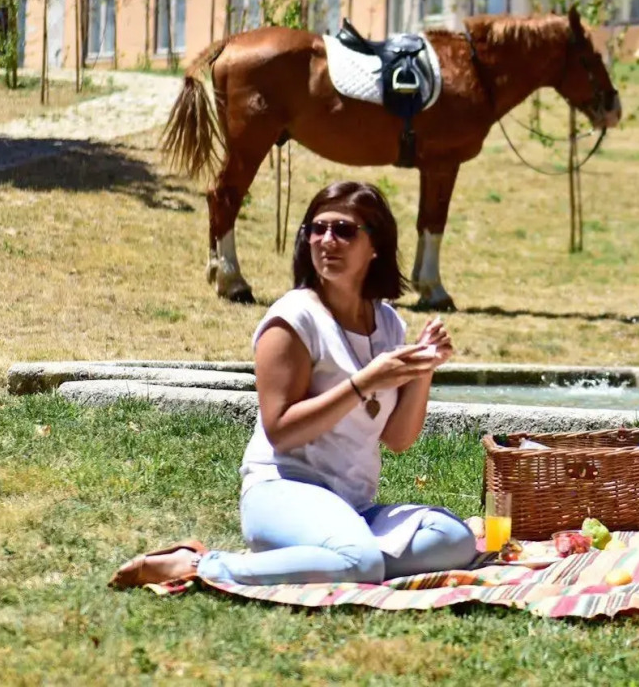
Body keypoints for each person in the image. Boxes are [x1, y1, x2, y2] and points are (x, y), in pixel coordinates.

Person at [111, 181, 478, 589]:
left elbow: (397, 439)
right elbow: (281, 431)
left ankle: (324, 560)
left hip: (353, 507)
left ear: (375, 246)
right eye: (316, 229)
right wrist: (365, 381)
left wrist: (423, 369)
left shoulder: (389, 322)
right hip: (282, 491)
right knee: (360, 563)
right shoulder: (293, 319)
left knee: (453, 539)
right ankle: (201, 564)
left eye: (344, 230)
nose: (326, 240)